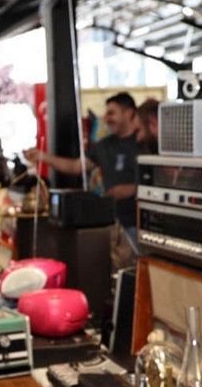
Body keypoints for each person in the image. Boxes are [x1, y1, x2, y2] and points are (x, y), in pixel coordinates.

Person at [25, 91, 144, 265]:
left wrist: (133, 189)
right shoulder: (104, 146)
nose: (106, 118)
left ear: (128, 113)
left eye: (112, 113)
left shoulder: (145, 141)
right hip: (113, 225)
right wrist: (43, 156)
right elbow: (76, 167)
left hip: (140, 225)